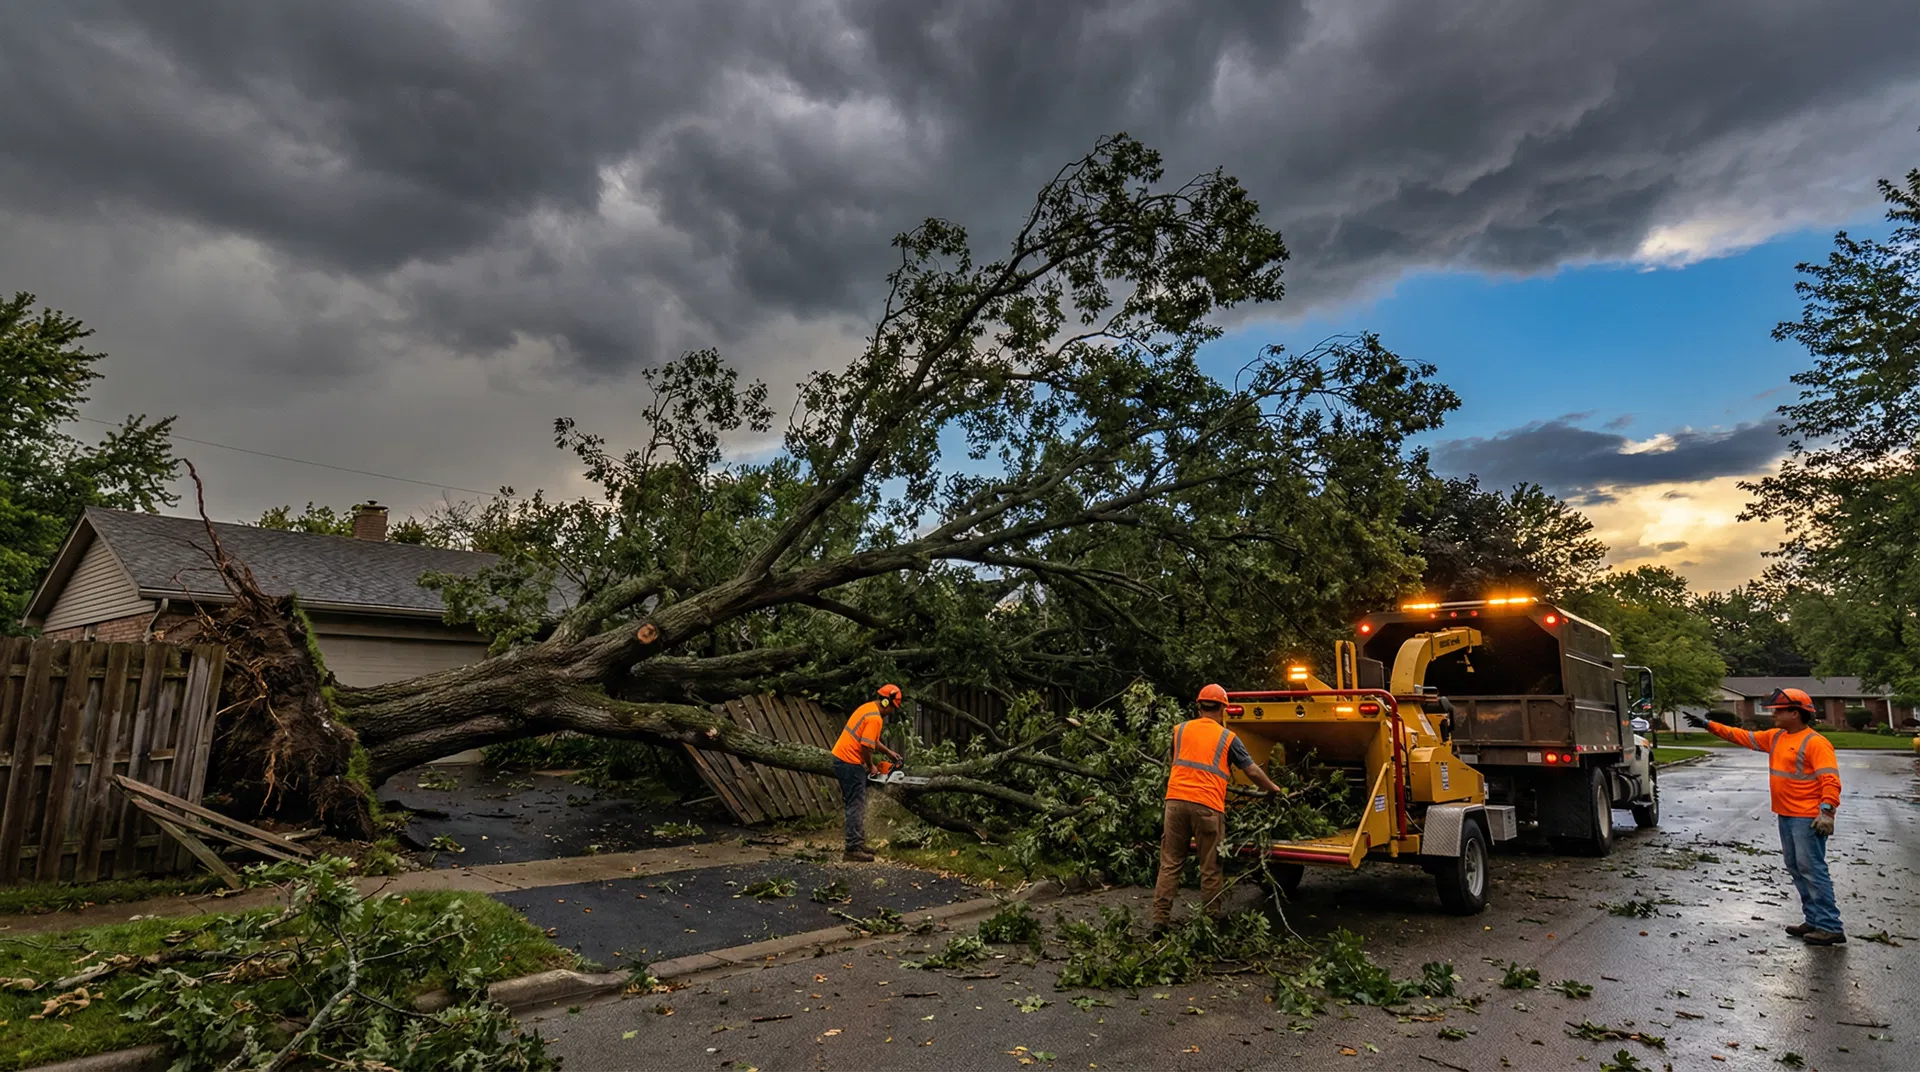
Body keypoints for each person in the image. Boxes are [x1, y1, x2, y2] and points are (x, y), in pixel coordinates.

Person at [1686, 687, 1845, 944]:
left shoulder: (1816, 743)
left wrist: (1827, 810)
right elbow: (1742, 736)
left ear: (1795, 713)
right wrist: (1708, 725)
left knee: (1812, 870)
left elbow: (1830, 780)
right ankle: (1814, 920)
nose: (1773, 715)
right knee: (1797, 868)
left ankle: (1830, 926)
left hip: (1807, 817)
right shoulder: (1776, 737)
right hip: (1786, 814)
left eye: (1779, 711)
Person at [1150, 683, 1286, 933]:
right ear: (1224, 708)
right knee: (1210, 867)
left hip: (1175, 803)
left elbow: (1173, 762)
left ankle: (1159, 922)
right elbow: (1252, 770)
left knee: (1170, 863)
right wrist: (1273, 789)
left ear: (1199, 706)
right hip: (1207, 806)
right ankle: (1210, 925)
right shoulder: (1227, 737)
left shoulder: (1179, 731)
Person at [831, 683, 905, 862]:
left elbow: (871, 740)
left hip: (843, 758)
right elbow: (866, 746)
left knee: (857, 802)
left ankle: (858, 842)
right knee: (855, 804)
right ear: (887, 703)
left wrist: (888, 752)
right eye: (893, 708)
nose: (892, 712)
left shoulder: (869, 708)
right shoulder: (875, 718)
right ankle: (852, 849)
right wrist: (870, 766)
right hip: (850, 762)